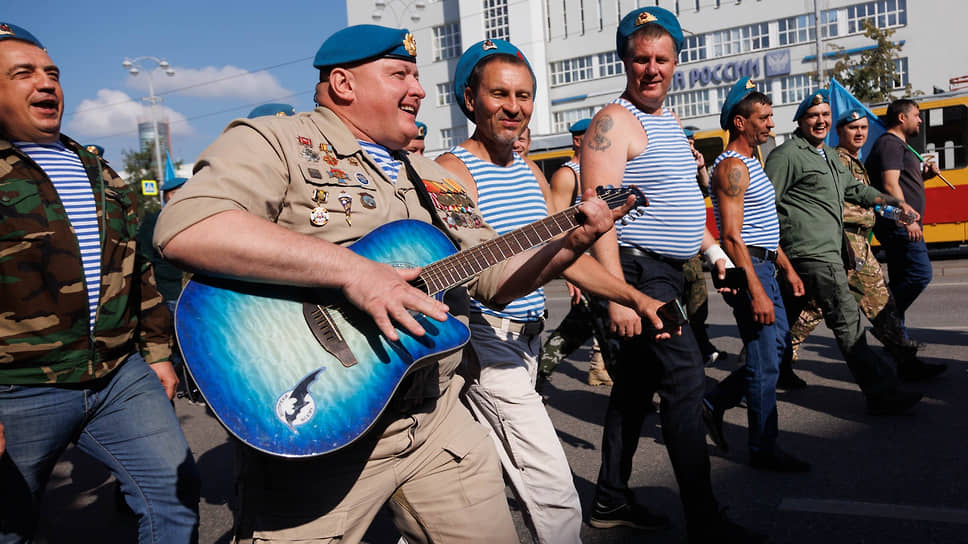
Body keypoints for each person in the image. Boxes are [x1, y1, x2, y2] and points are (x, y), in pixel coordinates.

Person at [154, 25, 637, 543]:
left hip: (436, 422)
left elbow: (494, 281)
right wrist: (355, 272)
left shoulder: (432, 176)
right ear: (343, 83)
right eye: (400, 74)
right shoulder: (278, 141)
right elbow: (188, 227)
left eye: (417, 74)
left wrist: (574, 240)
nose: (420, 89)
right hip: (322, 432)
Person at [436, 39, 670, 544]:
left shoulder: (528, 171)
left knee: (454, 483)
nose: (514, 107)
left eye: (524, 95)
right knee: (553, 490)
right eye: (499, 93)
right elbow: (481, 278)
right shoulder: (451, 172)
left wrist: (632, 297)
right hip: (485, 342)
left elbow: (566, 257)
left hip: (529, 340)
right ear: (470, 99)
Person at [0, 23, 200, 542]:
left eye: (52, 73)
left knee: (174, 498)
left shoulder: (97, 169)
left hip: (118, 377)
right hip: (18, 388)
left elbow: (138, 269)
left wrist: (156, 353)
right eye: (24, 74)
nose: (46, 84)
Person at [579, 8, 764, 542]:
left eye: (662, 58)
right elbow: (598, 216)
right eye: (641, 59)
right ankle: (705, 522)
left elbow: (679, 204)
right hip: (641, 275)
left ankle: (610, 500)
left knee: (635, 390)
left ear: (677, 62)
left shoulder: (665, 121)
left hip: (673, 270)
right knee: (686, 382)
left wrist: (715, 255)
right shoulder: (613, 124)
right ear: (625, 61)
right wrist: (618, 297)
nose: (651, 69)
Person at [765, 89, 923, 415]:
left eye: (825, 115)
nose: (820, 121)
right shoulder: (788, 155)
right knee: (849, 324)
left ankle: (743, 384)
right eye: (813, 116)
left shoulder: (830, 158)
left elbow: (857, 190)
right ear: (800, 121)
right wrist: (776, 257)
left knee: (785, 326)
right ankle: (882, 394)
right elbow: (766, 205)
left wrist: (893, 203)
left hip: (828, 253)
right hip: (812, 254)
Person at [700, 78, 810, 473]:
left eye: (770, 116)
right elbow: (731, 236)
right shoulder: (731, 167)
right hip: (751, 271)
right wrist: (757, 290)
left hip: (765, 264)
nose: (770, 123)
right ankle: (764, 448)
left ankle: (711, 403)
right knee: (765, 363)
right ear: (740, 122)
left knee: (774, 352)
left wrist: (788, 268)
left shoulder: (753, 163)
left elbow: (761, 227)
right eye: (762, 118)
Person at [789, 109, 945, 381]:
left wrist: (898, 212)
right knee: (879, 304)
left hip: (857, 245)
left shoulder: (855, 162)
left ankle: (774, 357)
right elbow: (838, 206)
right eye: (853, 128)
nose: (860, 132)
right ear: (839, 132)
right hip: (846, 246)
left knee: (816, 308)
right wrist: (885, 213)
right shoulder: (837, 160)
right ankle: (768, 360)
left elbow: (870, 200)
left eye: (863, 127)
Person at [537, 118, 614, 395]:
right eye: (593, 136)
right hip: (584, 264)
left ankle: (538, 373)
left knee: (578, 329)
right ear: (579, 140)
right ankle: (631, 395)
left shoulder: (600, 169)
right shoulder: (567, 174)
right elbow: (555, 224)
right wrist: (570, 269)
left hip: (606, 261)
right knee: (605, 330)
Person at [865, 99, 939, 344]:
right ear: (901, 118)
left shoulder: (898, 145)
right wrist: (907, 219)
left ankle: (899, 343)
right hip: (898, 222)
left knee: (901, 280)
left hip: (899, 220)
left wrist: (924, 176)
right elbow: (888, 185)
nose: (919, 120)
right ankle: (886, 321)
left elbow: (902, 183)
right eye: (916, 115)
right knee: (920, 274)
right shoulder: (890, 144)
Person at [682, 127, 727, 366]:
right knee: (680, 311)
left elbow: (710, 191)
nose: (691, 147)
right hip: (675, 255)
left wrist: (700, 168)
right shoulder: (672, 171)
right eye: (686, 142)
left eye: (692, 142)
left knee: (699, 304)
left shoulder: (690, 169)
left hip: (693, 253)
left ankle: (702, 347)